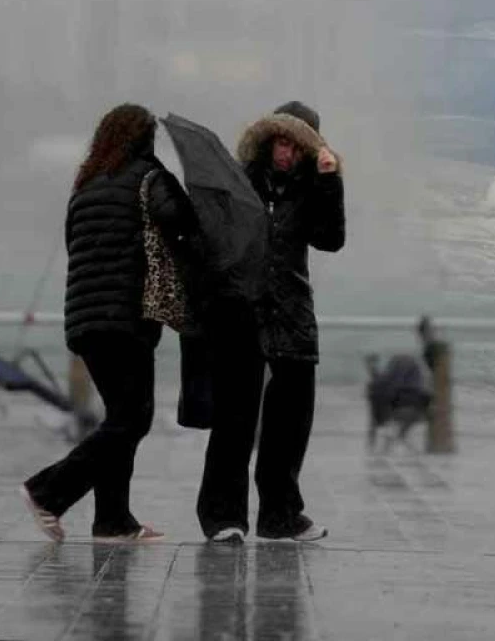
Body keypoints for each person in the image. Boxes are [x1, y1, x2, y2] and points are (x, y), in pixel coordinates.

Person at [20, 103, 202, 543]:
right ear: (144, 140)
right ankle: (47, 490)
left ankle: (113, 521)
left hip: (84, 320)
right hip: (125, 319)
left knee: (120, 418)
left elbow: (74, 244)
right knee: (133, 419)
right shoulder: (149, 179)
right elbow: (183, 223)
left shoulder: (84, 186)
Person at [197, 101, 345, 544]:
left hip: (293, 312)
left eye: (296, 145)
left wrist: (329, 181)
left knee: (290, 423)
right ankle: (223, 516)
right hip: (243, 312)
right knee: (235, 420)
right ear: (268, 140)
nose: (286, 153)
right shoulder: (241, 182)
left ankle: (280, 516)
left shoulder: (312, 185)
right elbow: (217, 240)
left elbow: (330, 240)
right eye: (281, 142)